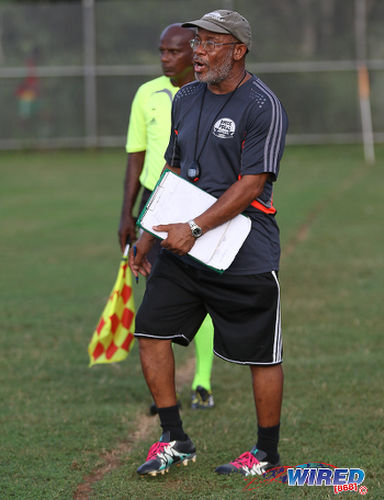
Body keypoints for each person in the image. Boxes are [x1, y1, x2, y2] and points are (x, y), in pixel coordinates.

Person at [129, 9, 288, 477]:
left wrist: (195, 227)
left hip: (243, 246)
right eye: (196, 42)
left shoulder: (263, 106)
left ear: (238, 51)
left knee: (261, 354)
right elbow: (173, 170)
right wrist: (147, 232)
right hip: (181, 244)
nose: (198, 52)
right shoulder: (187, 98)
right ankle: (174, 437)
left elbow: (252, 184)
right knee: (151, 331)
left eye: (210, 43)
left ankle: (266, 454)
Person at [118, 24, 215, 411]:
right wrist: (127, 213)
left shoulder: (210, 94)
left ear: (192, 55)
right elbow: (135, 154)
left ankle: (203, 382)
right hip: (152, 207)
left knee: (202, 293)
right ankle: (165, 394)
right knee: (158, 293)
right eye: (161, 51)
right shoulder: (146, 94)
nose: (165, 59)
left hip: (196, 205)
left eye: (172, 52)